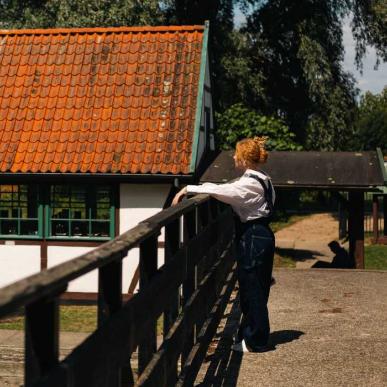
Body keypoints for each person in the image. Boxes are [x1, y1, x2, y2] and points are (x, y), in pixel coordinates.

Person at [172, 137, 276, 353]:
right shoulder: (263, 178)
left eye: (237, 154)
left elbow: (224, 192)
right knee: (257, 286)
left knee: (252, 288)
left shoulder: (250, 183)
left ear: (245, 159)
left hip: (253, 236)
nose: (234, 157)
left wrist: (188, 188)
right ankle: (252, 336)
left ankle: (256, 340)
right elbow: (228, 187)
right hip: (261, 234)